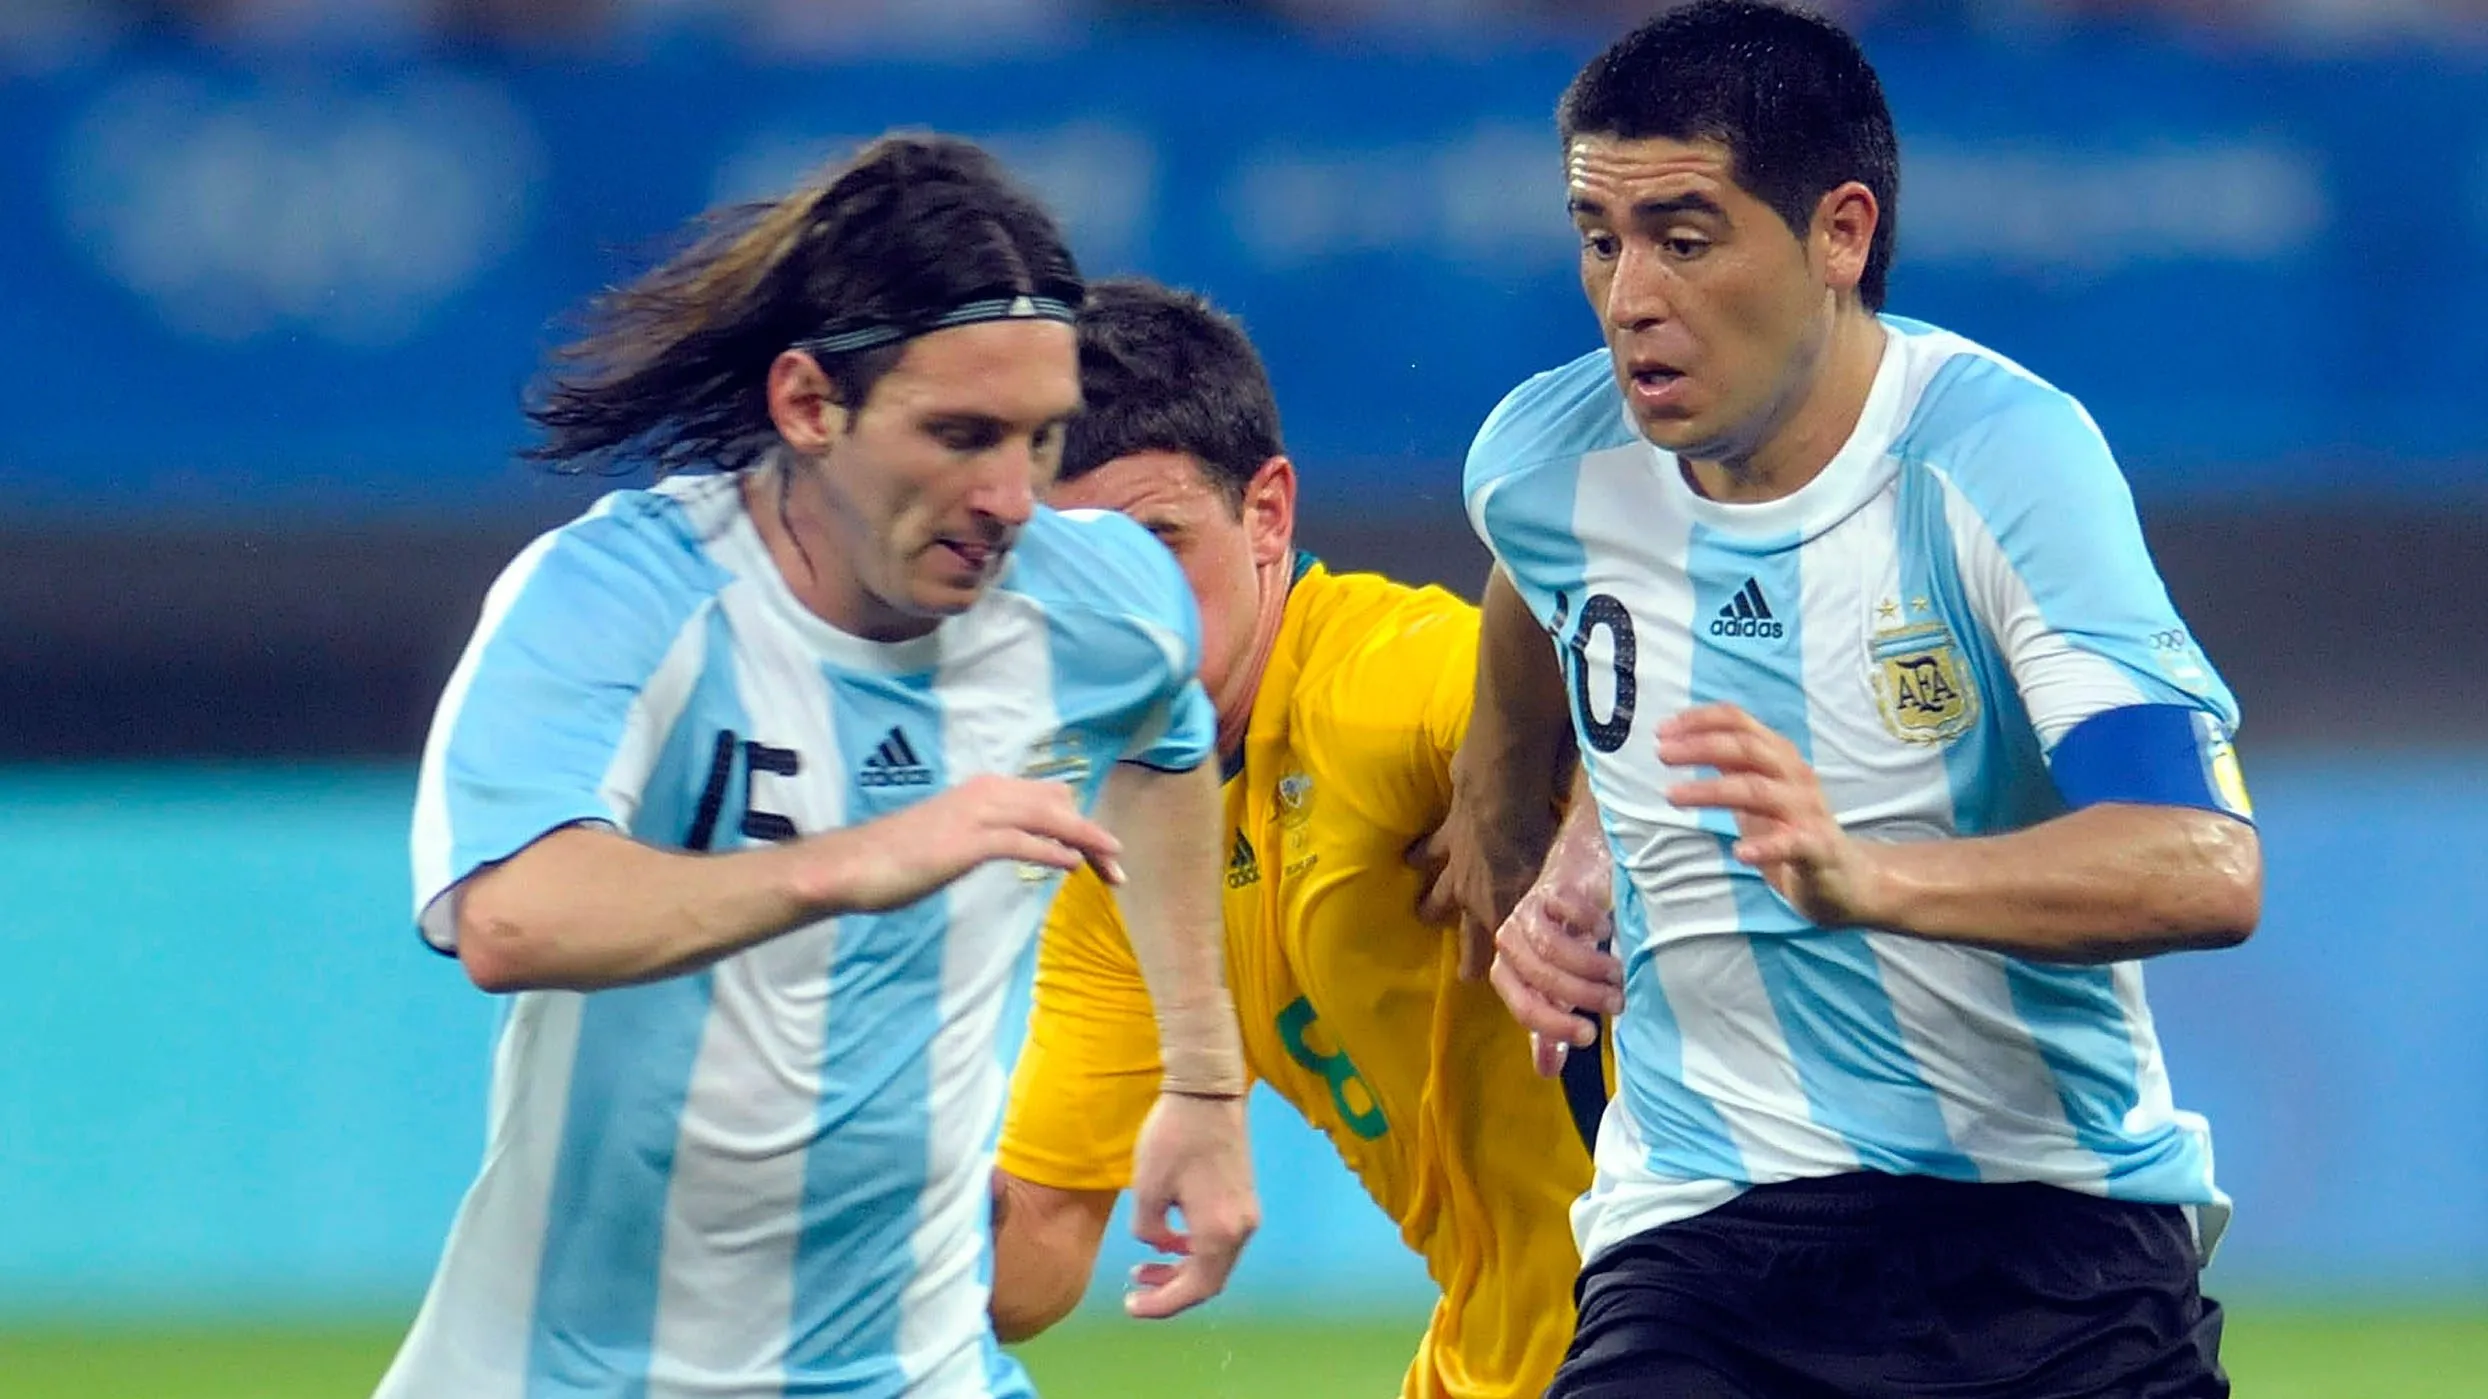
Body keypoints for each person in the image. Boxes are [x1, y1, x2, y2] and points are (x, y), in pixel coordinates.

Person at [1432, 4, 2262, 1396]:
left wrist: (1862, 875)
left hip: (2048, 1230)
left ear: (1841, 233)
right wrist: (1525, 847)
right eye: (1597, 236)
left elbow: (2203, 860)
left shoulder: (2003, 459)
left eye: (1685, 238)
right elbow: (1534, 623)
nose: (1629, 293)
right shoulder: (1544, 464)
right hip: (1701, 1240)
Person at [376, 135, 1258, 1399]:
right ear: (807, 405)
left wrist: (1203, 1081)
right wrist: (848, 862)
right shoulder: (624, 599)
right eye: (960, 434)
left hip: (918, 1368)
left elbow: (1166, 747)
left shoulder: (1099, 603)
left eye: (1041, 439)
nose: (1013, 497)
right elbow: (511, 915)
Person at [983, 277, 1596, 1399]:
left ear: (1267, 513)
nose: (1115, 609)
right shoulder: (1118, 856)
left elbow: (1632, 694)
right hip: (1498, 1356)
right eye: (1059, 569)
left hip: (1704, 1329)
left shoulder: (1376, 677)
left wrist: (1566, 836)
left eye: (1154, 540)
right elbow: (1032, 1261)